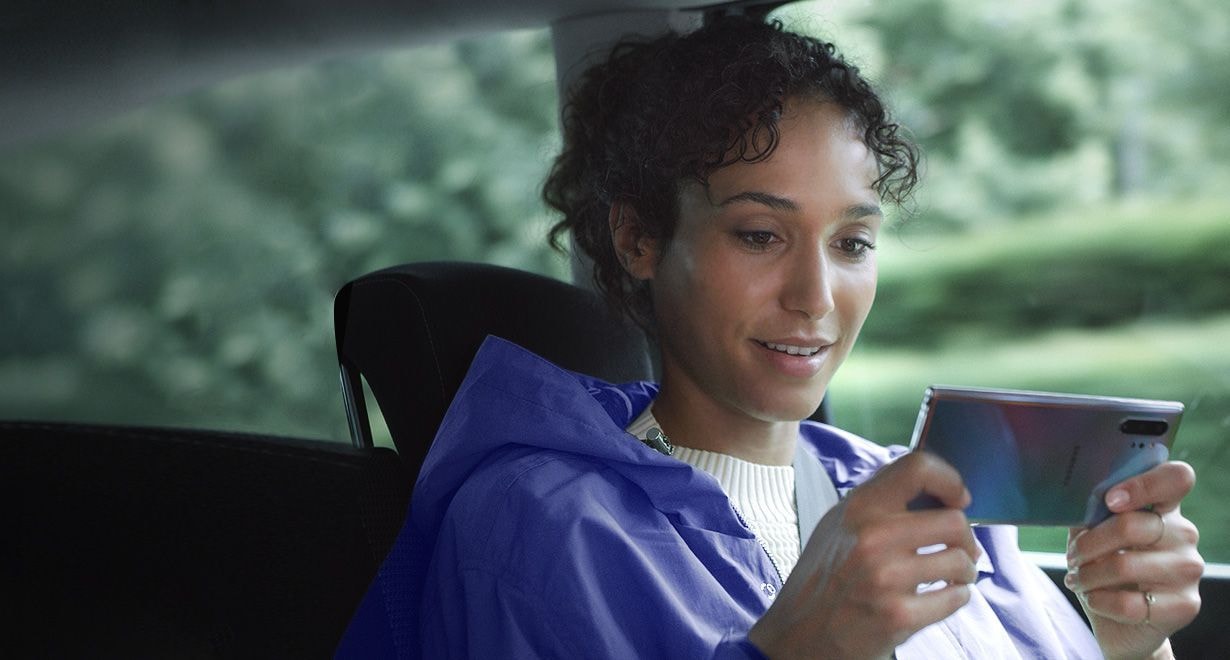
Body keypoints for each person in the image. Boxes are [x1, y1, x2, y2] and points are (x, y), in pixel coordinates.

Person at [337, 17, 1203, 659]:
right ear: (639, 239)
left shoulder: (923, 498)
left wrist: (1131, 643)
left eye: (853, 243)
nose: (815, 297)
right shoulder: (540, 526)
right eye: (759, 235)